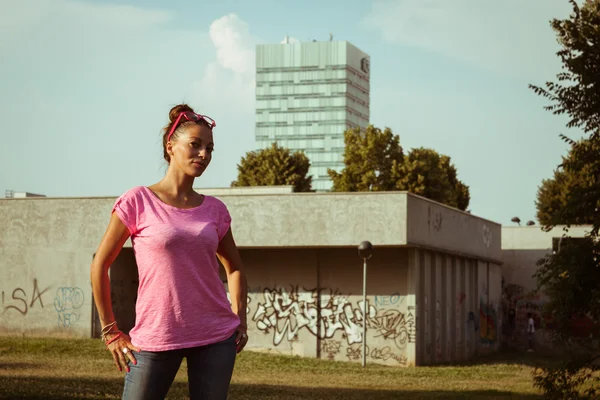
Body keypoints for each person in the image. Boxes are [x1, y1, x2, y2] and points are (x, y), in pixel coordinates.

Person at [90, 104, 248, 400]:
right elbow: (100, 264)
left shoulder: (215, 210)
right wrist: (110, 330)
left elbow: (235, 268)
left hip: (215, 336)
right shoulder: (138, 200)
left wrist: (240, 318)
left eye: (210, 148)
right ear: (170, 147)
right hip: (156, 336)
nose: (204, 154)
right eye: (195, 145)